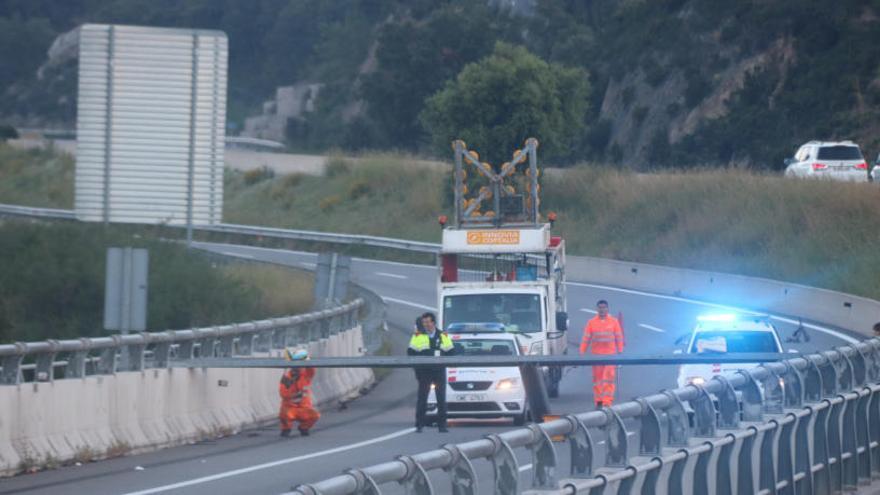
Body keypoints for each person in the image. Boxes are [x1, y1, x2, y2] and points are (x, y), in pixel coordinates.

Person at [408, 312, 455, 432]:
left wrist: (443, 359)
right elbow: (410, 352)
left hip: (439, 370)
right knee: (422, 399)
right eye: (424, 322)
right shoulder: (418, 336)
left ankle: (442, 426)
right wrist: (417, 368)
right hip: (424, 371)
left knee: (441, 399)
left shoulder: (443, 335)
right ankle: (419, 425)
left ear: (433, 322)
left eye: (428, 322)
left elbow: (451, 352)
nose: (426, 324)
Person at [580, 300, 624, 408]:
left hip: (610, 356)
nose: (602, 310)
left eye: (604, 307)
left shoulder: (614, 322)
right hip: (597, 356)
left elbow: (619, 337)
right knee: (598, 380)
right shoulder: (591, 322)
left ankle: (607, 401)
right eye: (600, 307)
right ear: (597, 309)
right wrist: (581, 352)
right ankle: (599, 401)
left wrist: (620, 352)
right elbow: (586, 338)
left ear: (607, 309)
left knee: (608, 378)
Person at [279, 347, 320, 437]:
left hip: (304, 408)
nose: (296, 369)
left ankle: (304, 427)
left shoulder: (305, 376)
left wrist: (306, 358)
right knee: (285, 414)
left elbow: (311, 369)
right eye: (294, 367)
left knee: (315, 415)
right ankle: (286, 429)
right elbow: (283, 394)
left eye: (298, 366)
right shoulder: (286, 378)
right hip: (290, 409)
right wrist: (293, 394)